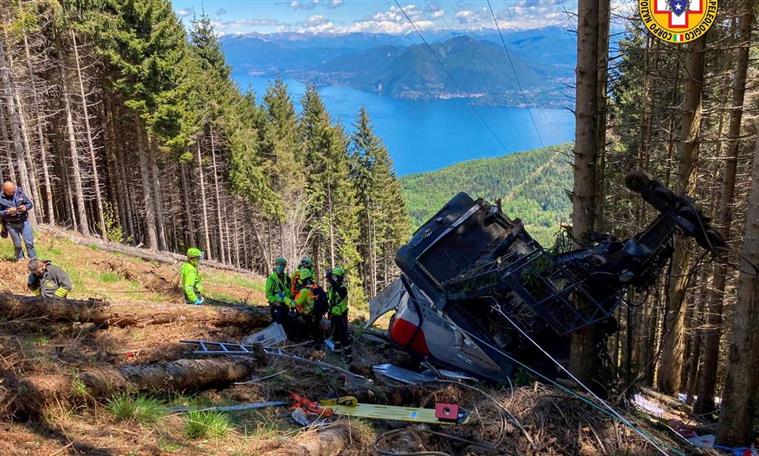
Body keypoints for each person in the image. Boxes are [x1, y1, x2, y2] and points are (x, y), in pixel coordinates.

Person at [0, 181, 35, 261]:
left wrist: (25, 207)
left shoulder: (19, 192)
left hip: (24, 222)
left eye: (13, 190)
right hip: (11, 224)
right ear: (4, 190)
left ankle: (33, 260)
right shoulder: (0, 198)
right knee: (17, 244)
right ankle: (20, 260)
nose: (13, 192)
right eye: (10, 191)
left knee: (29, 242)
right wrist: (7, 212)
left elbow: (30, 204)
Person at [291, 267, 328, 342]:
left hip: (307, 314)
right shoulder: (315, 286)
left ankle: (302, 340)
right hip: (316, 314)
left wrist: (284, 298)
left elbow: (294, 303)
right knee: (313, 329)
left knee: (295, 323)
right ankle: (314, 339)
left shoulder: (304, 290)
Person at [326, 266, 353, 363]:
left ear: (340, 278)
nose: (334, 278)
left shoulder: (343, 288)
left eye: (335, 277)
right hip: (334, 315)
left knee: (343, 336)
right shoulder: (331, 289)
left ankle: (349, 356)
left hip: (341, 317)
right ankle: (337, 352)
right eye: (333, 276)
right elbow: (329, 300)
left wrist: (329, 279)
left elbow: (340, 292)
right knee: (335, 336)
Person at [265, 257, 293, 326]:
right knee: (279, 324)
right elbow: (268, 294)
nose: (280, 266)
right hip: (277, 306)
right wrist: (275, 302)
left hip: (286, 305)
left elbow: (290, 290)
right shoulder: (271, 278)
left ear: (284, 266)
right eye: (278, 264)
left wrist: (291, 301)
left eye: (282, 264)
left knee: (288, 324)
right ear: (275, 265)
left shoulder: (287, 277)